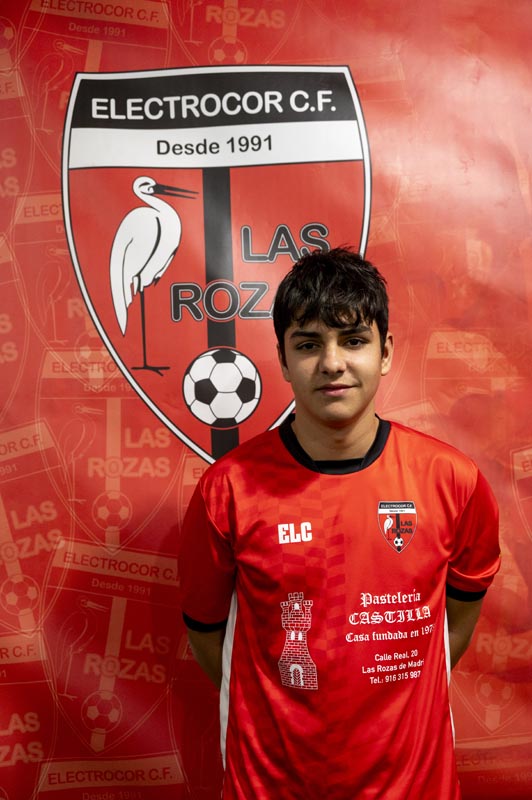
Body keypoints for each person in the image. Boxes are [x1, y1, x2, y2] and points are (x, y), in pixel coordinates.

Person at [179, 246, 500, 800]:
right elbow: (209, 638)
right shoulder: (227, 490)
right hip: (271, 787)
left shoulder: (453, 481)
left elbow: (458, 619)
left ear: (385, 352)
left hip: (415, 787)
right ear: (283, 360)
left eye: (353, 341)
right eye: (308, 345)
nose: (332, 363)